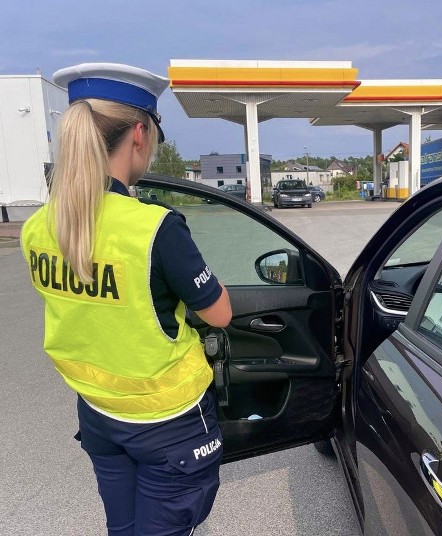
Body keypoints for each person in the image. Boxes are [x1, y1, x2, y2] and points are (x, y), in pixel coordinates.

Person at [21, 63, 232, 535]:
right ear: (139, 133)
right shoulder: (154, 226)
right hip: (169, 423)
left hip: (98, 414)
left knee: (124, 529)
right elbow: (219, 313)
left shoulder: (38, 227)